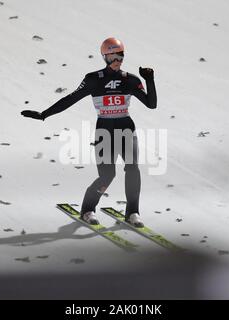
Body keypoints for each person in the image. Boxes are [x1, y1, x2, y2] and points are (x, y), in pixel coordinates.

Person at [21, 37, 157, 227]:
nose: (117, 60)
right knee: (107, 175)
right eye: (113, 57)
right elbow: (70, 99)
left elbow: (151, 105)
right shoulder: (93, 79)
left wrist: (149, 80)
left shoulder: (130, 80)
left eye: (121, 55)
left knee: (132, 169)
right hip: (104, 131)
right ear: (104, 57)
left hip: (127, 129)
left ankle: (133, 212)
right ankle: (87, 209)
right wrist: (45, 114)